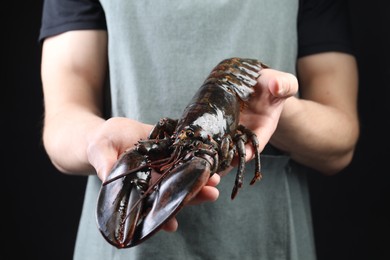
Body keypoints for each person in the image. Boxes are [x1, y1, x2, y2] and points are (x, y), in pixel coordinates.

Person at [39, 0, 359, 259]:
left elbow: (340, 144)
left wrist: (275, 107)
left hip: (265, 239)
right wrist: (96, 139)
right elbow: (63, 117)